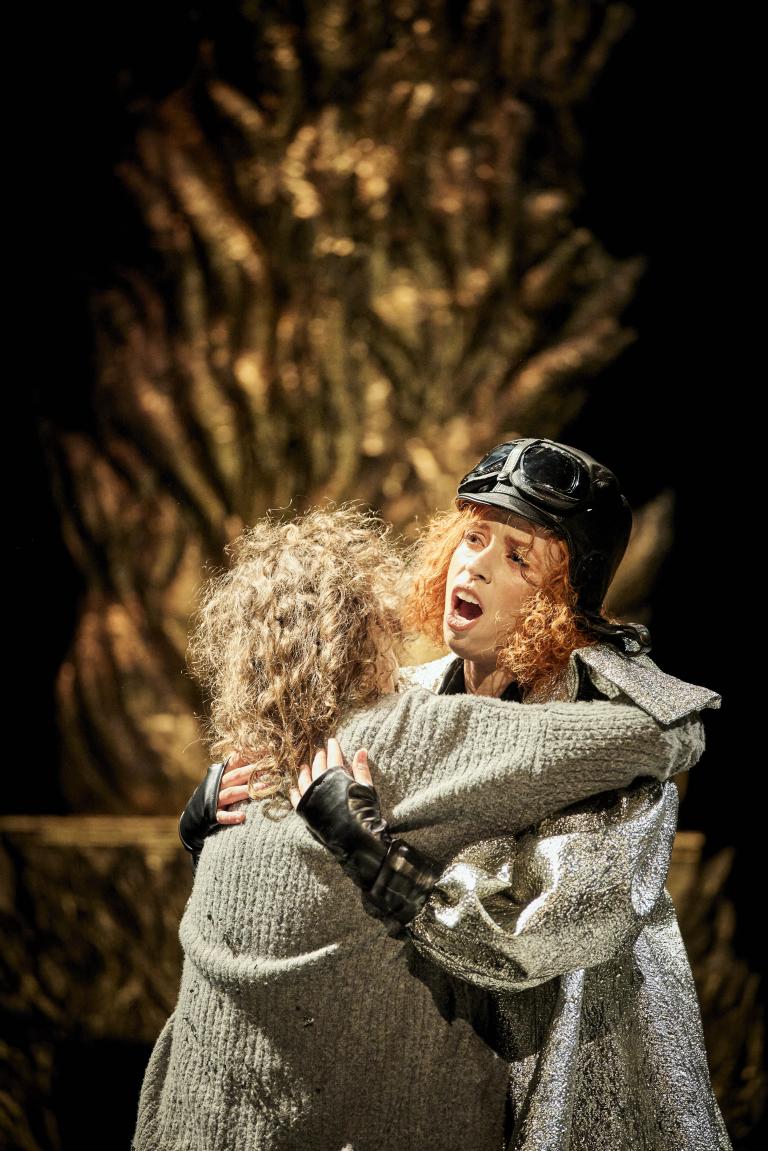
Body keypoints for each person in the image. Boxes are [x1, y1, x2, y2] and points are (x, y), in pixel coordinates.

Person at [143, 439, 727, 1150]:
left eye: (518, 556)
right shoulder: (412, 696)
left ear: (564, 599)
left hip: (565, 1064)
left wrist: (385, 866)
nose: (474, 564)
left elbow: (546, 932)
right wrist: (230, 822)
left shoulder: (609, 744)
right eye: (473, 536)